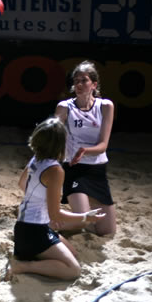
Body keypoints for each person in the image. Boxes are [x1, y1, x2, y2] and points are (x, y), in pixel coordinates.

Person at [8, 117, 105, 281]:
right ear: (61, 144)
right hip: (34, 233)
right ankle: (23, 266)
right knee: (73, 270)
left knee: (73, 254)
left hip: (24, 227)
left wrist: (43, 211)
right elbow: (56, 215)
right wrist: (85, 217)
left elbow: (22, 183)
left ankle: (30, 256)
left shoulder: (36, 158)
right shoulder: (55, 170)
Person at [53, 60, 116, 236]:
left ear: (94, 84)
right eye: (76, 81)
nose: (79, 84)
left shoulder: (105, 106)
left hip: (97, 170)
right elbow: (53, 134)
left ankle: (56, 219)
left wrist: (84, 151)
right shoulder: (65, 107)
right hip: (74, 169)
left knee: (106, 231)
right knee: (82, 222)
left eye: (84, 80)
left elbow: (103, 146)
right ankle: (45, 223)